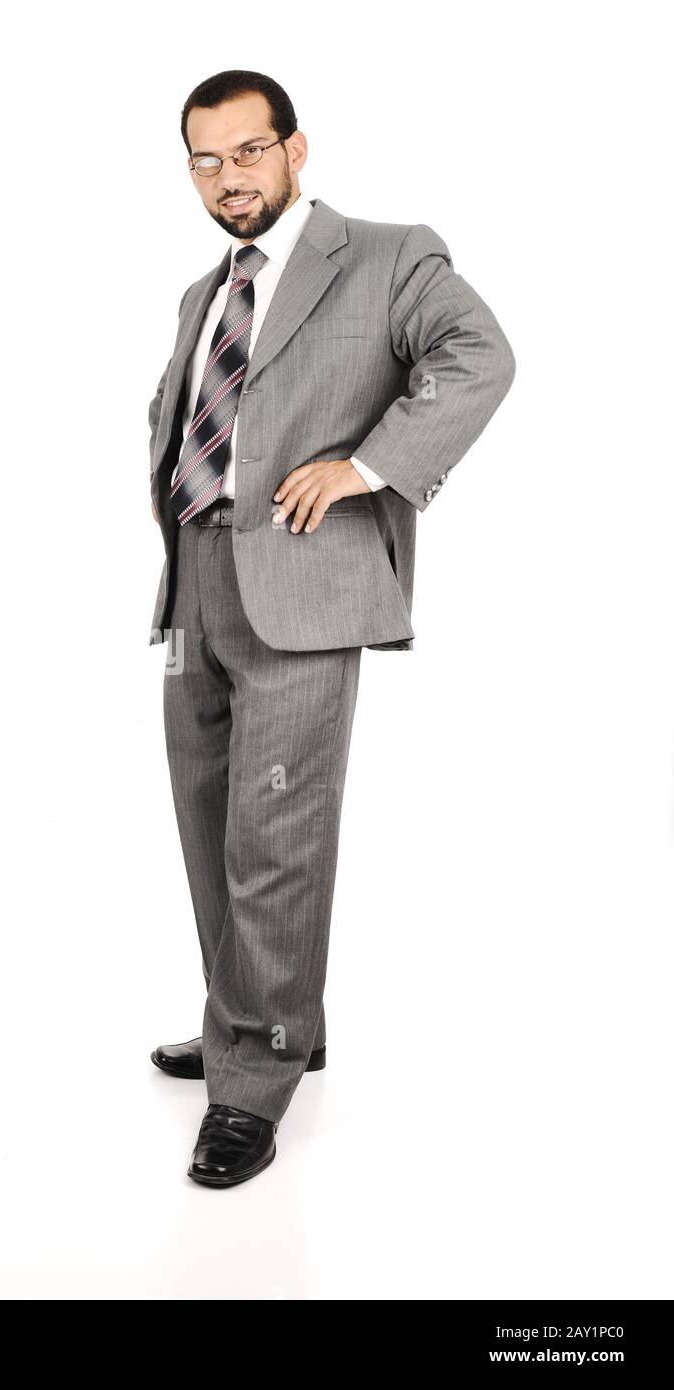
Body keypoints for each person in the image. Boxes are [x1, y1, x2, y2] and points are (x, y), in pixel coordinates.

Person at [147, 71, 515, 1185]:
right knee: (211, 822)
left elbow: (478, 358)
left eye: (246, 153)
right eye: (204, 161)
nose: (227, 179)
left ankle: (254, 1074)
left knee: (275, 837)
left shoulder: (388, 253)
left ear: (295, 150)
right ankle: (256, 1013)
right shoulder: (199, 291)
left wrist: (363, 469)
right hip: (196, 577)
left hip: (303, 584)